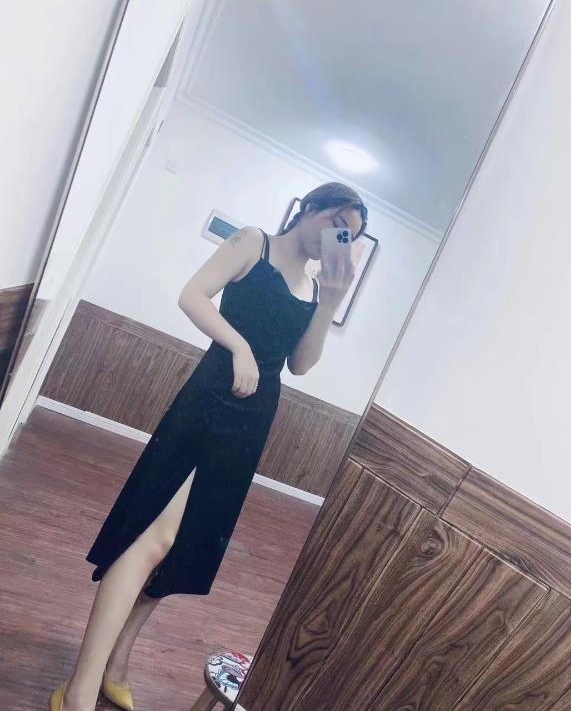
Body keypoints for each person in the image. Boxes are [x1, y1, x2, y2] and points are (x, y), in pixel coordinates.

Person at [49, 181, 368, 711]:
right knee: (151, 538)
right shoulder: (252, 242)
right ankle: (79, 687)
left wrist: (332, 301)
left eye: (349, 237)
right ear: (310, 208)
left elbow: (302, 363)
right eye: (337, 224)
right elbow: (192, 295)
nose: (338, 239)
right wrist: (239, 346)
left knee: (185, 548)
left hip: (252, 423)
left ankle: (117, 661)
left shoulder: (315, 290)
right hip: (210, 401)